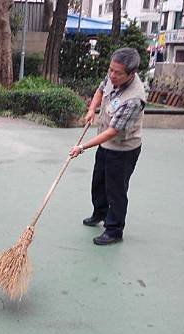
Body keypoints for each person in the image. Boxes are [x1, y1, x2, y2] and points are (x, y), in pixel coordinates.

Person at [69, 48, 146, 246]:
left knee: (116, 190)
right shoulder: (114, 76)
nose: (112, 75)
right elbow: (100, 90)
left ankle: (114, 230)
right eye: (110, 70)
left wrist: (82, 147)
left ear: (132, 73)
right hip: (106, 144)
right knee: (99, 182)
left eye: (117, 72)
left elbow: (113, 132)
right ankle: (100, 213)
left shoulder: (134, 99)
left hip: (123, 150)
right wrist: (91, 110)